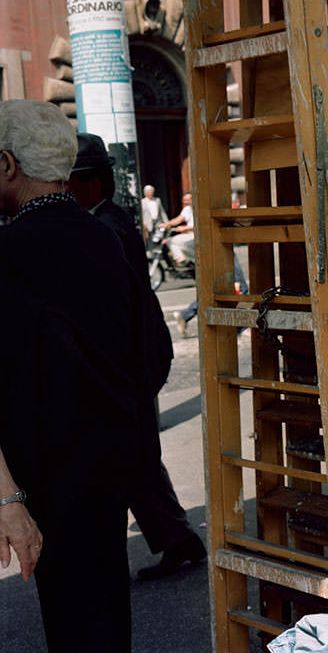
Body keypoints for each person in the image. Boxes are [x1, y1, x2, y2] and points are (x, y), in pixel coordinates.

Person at [0, 100, 140, 650]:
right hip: (109, 455)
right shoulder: (103, 235)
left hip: (45, 469)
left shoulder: (8, 250)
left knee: (71, 614)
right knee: (106, 604)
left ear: (9, 165)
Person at [65, 133, 207, 579]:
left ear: (89, 184)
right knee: (138, 456)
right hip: (136, 359)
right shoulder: (112, 219)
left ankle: (178, 540)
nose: (64, 191)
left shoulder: (103, 226)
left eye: (69, 183)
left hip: (129, 363)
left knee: (133, 457)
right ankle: (179, 539)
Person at [159, 191, 195, 264]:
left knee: (172, 241)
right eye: (184, 200)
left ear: (193, 199)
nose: (185, 202)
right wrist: (167, 224)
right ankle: (188, 262)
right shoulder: (187, 209)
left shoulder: (199, 208)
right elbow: (178, 219)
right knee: (172, 242)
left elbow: (201, 226)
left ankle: (185, 260)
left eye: (187, 200)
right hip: (190, 234)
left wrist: (185, 228)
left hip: (196, 235)